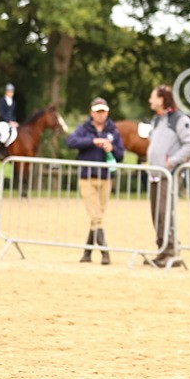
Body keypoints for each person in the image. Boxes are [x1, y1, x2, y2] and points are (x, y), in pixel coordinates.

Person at [65, 97, 125, 264]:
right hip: (87, 177)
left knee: (97, 217)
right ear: (91, 112)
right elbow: (70, 141)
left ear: (107, 113)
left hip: (106, 178)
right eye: (97, 111)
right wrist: (92, 141)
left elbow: (121, 155)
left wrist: (112, 148)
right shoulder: (84, 129)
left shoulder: (113, 131)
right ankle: (105, 251)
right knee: (96, 216)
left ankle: (87, 253)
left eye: (103, 111)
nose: (100, 115)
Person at [145, 85, 190, 269]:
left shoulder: (180, 120)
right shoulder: (156, 120)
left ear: (161, 99)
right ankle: (162, 250)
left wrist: (172, 161)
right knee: (155, 213)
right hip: (155, 174)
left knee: (164, 213)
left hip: (169, 175)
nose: (150, 100)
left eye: (152, 97)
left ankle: (170, 251)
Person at [0, 83, 20, 159]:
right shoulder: (2, 101)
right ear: (6, 92)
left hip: (10, 122)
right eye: (9, 91)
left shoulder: (14, 102)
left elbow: (13, 114)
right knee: (5, 135)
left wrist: (14, 121)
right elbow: (2, 113)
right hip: (2, 122)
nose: (11, 93)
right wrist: (9, 121)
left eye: (12, 91)